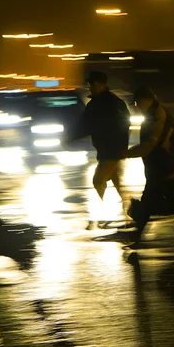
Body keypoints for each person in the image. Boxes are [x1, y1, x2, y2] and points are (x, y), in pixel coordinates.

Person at [120, 85, 174, 246]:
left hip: (167, 167)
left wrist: (128, 153)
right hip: (160, 167)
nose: (137, 107)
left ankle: (138, 237)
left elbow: (151, 144)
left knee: (172, 202)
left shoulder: (158, 115)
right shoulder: (153, 114)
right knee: (160, 201)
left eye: (138, 103)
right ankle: (137, 237)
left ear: (146, 100)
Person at [71, 71, 130, 229]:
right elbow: (84, 125)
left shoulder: (113, 103)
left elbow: (125, 124)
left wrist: (122, 147)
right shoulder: (95, 105)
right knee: (115, 183)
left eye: (93, 84)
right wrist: (71, 137)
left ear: (102, 84)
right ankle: (128, 214)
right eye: (90, 84)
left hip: (112, 150)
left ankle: (110, 213)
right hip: (104, 150)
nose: (90, 87)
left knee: (98, 180)